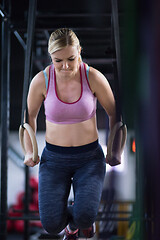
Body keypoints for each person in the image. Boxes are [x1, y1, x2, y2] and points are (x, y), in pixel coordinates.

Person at [24, 28, 116, 239]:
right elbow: (29, 119)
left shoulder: (93, 77)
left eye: (71, 58)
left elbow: (115, 116)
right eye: (58, 61)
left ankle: (77, 223)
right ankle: (69, 225)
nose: (65, 66)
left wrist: (114, 150)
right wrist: (29, 151)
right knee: (51, 225)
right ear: (51, 57)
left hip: (89, 159)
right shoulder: (41, 81)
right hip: (54, 160)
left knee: (85, 217)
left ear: (79, 51)